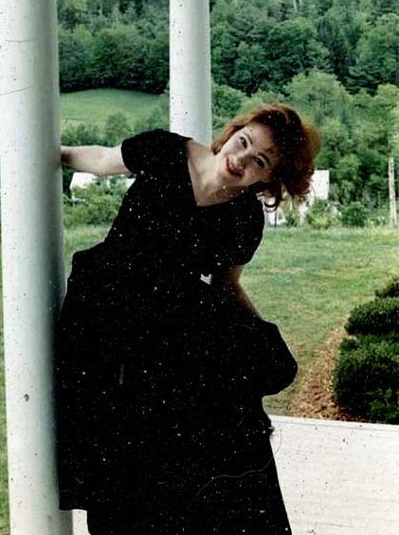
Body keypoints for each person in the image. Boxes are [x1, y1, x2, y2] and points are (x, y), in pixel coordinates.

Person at [56, 103, 321, 535]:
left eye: (260, 161)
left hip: (163, 329)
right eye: (244, 142)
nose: (241, 160)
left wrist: (258, 333)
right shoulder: (164, 150)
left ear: (268, 178)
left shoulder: (244, 218)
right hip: (102, 313)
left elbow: (225, 284)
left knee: (182, 435)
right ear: (232, 133)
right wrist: (50, 153)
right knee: (106, 430)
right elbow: (103, 159)